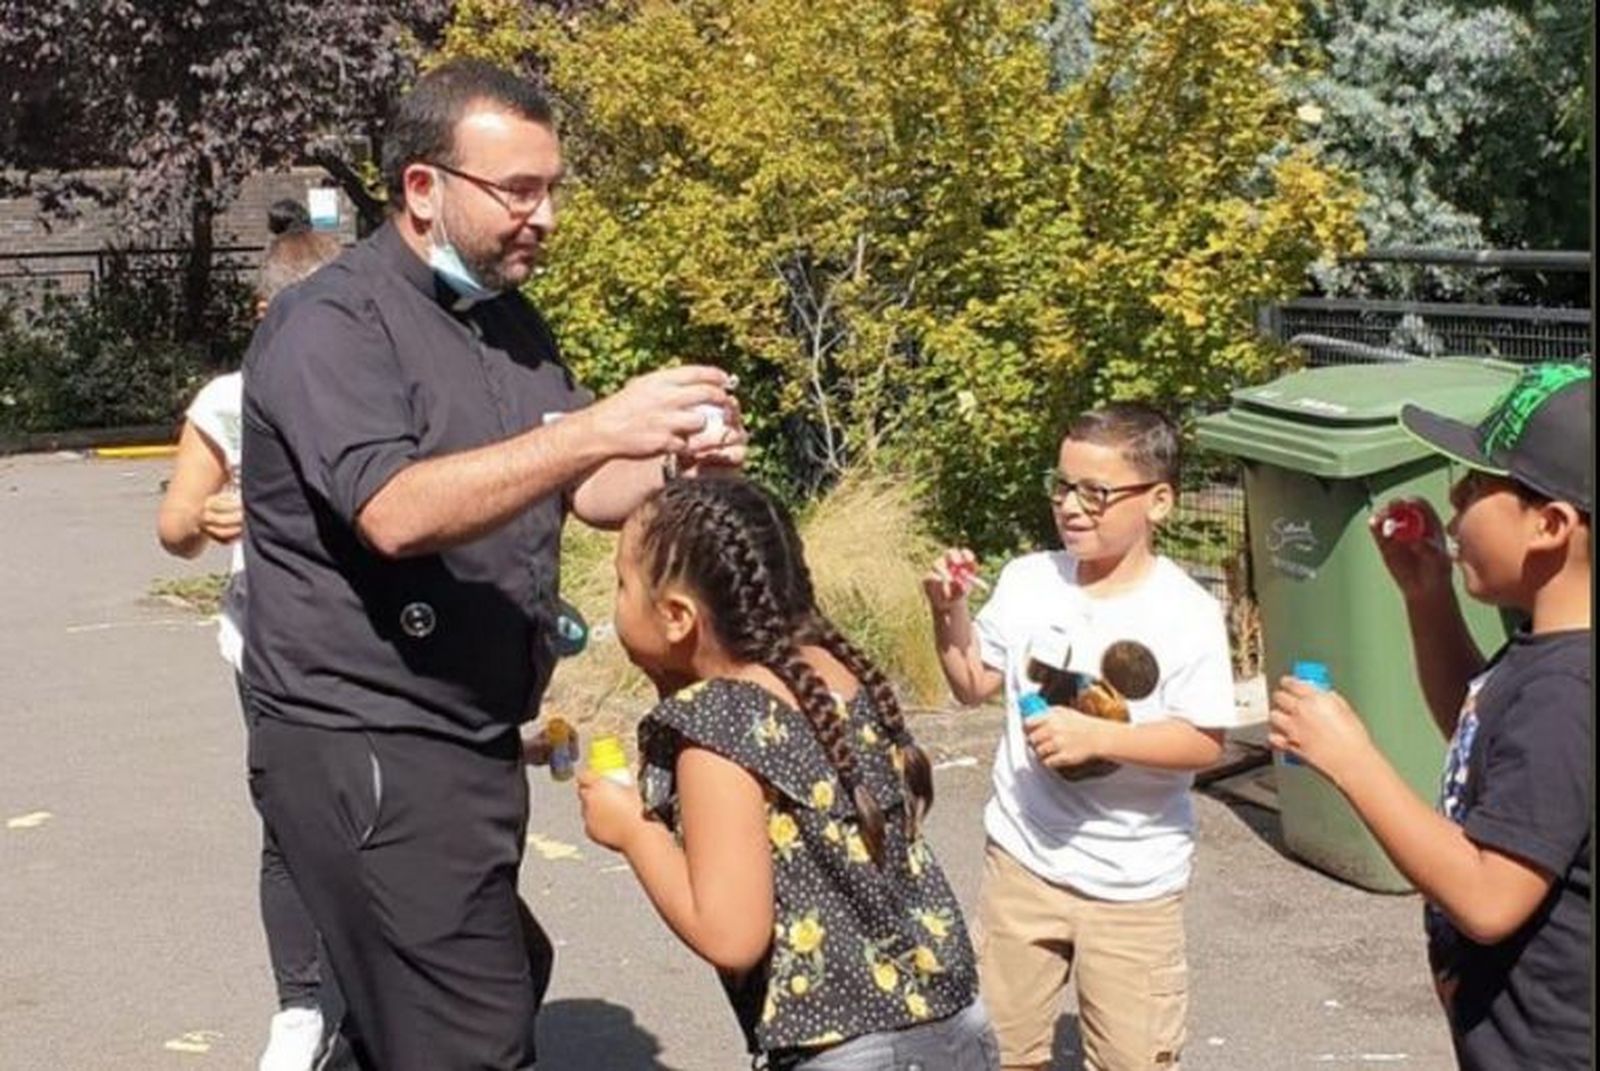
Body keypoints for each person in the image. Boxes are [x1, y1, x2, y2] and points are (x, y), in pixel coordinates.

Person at [239, 58, 743, 1071]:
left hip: (466, 739)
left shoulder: (508, 321)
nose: (545, 214)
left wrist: (660, 461)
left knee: (465, 998)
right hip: (370, 739)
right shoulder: (332, 325)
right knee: (469, 1034)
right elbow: (391, 510)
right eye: (518, 189)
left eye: (551, 187)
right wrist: (595, 429)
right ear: (423, 190)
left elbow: (577, 486)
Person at [578, 477, 997, 1071]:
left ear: (676, 616)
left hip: (850, 1054)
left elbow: (731, 936)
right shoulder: (835, 674)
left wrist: (631, 831)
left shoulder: (719, 727)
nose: (615, 601)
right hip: (955, 1027)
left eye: (623, 584)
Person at [1268, 363, 1592, 1070]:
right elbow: (1480, 734)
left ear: (1550, 524)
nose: (1454, 496)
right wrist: (1427, 595)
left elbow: (1487, 896)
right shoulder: (1548, 653)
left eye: (1478, 483)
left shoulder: (1570, 691)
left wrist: (1353, 760)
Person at [923, 403, 1235, 1071]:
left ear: (1159, 502)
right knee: (1000, 1052)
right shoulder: (1030, 580)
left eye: (1095, 492)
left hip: (1132, 886)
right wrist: (947, 611)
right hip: (1021, 863)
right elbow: (972, 680)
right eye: (1062, 485)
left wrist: (1101, 738)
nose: (1071, 506)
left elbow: (1205, 741)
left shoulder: (1186, 612)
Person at [156, 224, 341, 1071]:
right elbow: (173, 529)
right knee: (290, 818)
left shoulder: (366, 383)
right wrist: (206, 517)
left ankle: (378, 988)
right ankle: (300, 1003)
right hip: (266, 643)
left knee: (384, 813)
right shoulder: (228, 399)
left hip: (369, 641)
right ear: (263, 313)